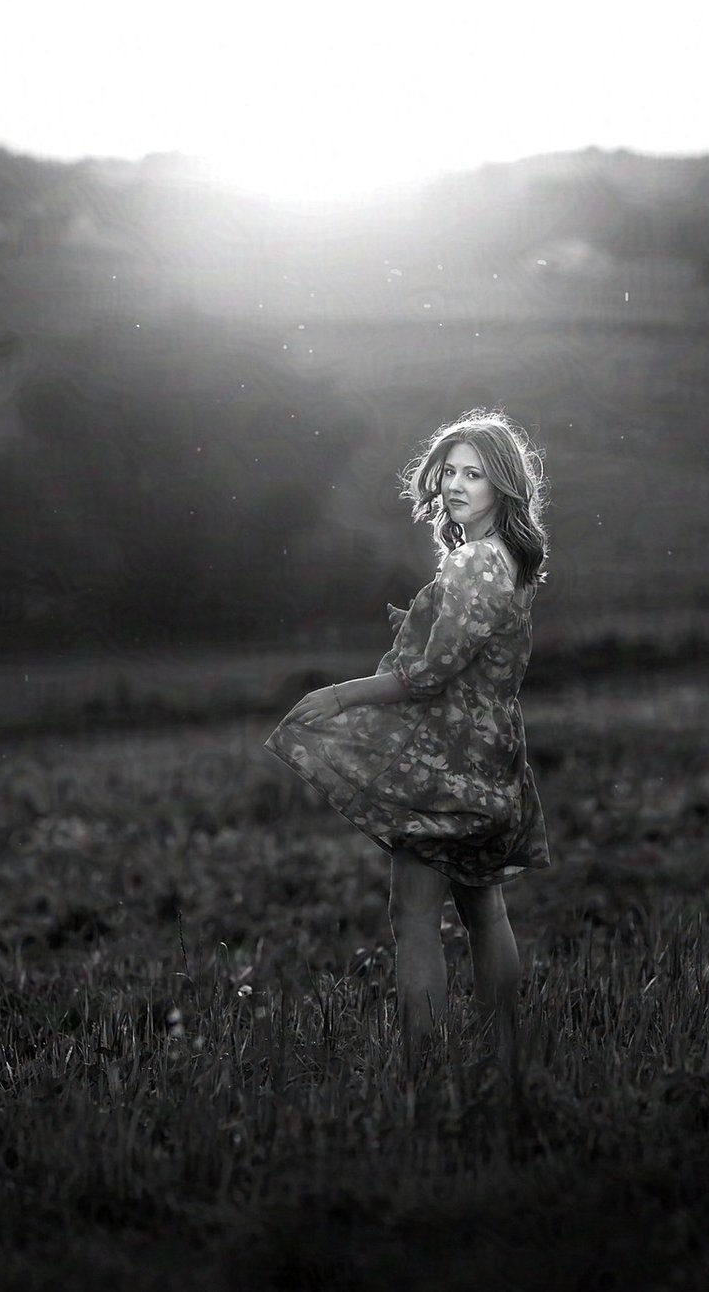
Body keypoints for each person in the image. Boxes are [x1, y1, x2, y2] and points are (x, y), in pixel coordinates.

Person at [265, 408, 550, 1061]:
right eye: (448, 470)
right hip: (490, 753)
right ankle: (507, 1050)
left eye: (474, 474)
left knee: (415, 915)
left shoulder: (476, 563)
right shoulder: (504, 558)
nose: (455, 484)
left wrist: (337, 696)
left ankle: (425, 1062)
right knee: (485, 910)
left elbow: (429, 674)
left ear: (501, 485)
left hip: (446, 762)